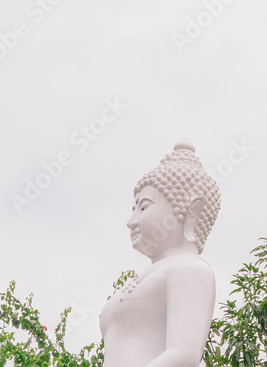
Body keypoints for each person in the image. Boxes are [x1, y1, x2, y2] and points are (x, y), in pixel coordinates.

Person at [99, 143, 221, 367]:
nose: (131, 222)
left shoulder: (190, 269)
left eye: (143, 208)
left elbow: (183, 355)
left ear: (192, 210)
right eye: (133, 209)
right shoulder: (146, 277)